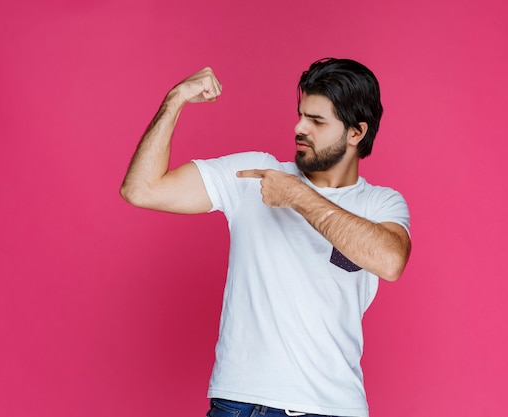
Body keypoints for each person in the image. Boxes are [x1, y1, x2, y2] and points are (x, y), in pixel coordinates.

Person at [120, 58, 411, 417]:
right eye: (301, 114)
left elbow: (390, 261)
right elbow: (141, 189)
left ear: (356, 133)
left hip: (334, 408)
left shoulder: (379, 202)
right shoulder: (255, 174)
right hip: (240, 403)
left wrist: (298, 196)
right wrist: (175, 99)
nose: (299, 127)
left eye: (317, 121)